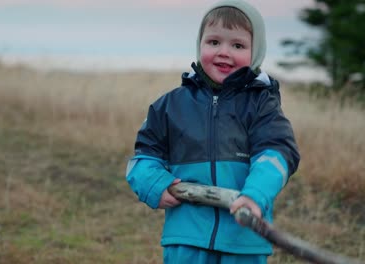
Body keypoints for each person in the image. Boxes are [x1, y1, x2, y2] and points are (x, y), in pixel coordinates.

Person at [126, 0, 300, 263]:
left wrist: (255, 194)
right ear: (200, 45)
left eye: (238, 45)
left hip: (244, 239)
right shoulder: (171, 105)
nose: (224, 52)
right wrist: (154, 184)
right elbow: (143, 158)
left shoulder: (262, 105)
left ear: (256, 52)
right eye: (214, 42)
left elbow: (277, 155)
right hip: (186, 238)